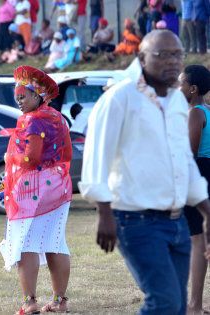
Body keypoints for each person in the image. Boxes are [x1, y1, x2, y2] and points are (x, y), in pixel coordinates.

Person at [80, 30, 210, 315]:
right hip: (135, 219)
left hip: (176, 222)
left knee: (176, 305)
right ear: (141, 57)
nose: (173, 62)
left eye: (178, 55)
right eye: (162, 55)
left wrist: (206, 211)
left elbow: (183, 162)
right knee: (163, 302)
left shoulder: (177, 102)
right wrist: (104, 212)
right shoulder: (119, 98)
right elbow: (96, 156)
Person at [0, 65, 73, 314]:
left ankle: (30, 302)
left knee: (25, 244)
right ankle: (60, 302)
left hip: (32, 189)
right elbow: (65, 153)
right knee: (55, 242)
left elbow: (31, 158)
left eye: (23, 96)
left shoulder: (33, 119)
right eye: (17, 97)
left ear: (37, 95)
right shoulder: (56, 117)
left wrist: (11, 156)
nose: (19, 102)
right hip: (58, 187)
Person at [179, 64, 210, 315]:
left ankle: (195, 305)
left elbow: (189, 154)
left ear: (193, 88)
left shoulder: (195, 113)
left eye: (181, 84)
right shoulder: (208, 111)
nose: (178, 88)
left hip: (198, 175)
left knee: (198, 242)